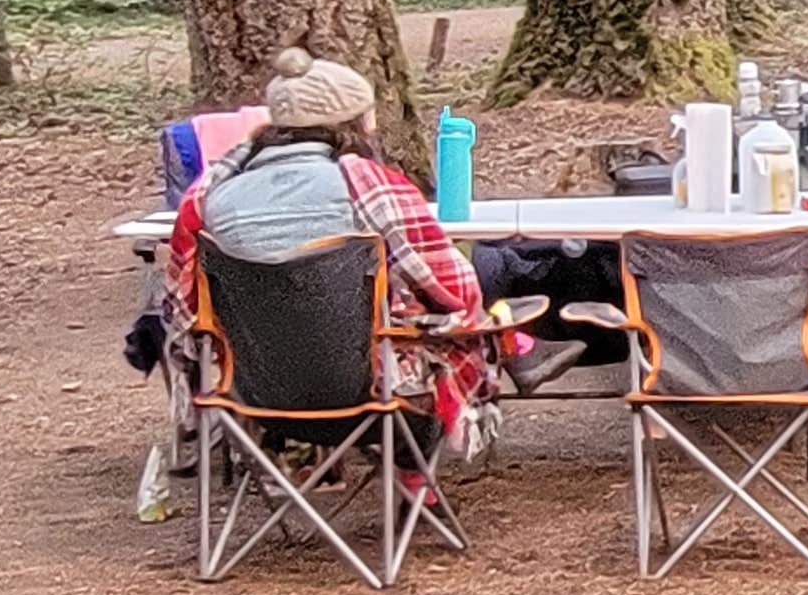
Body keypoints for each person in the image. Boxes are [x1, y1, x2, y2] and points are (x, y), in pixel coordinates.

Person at [161, 50, 550, 453]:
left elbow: (179, 305)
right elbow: (453, 289)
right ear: (349, 126)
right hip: (380, 398)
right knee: (437, 336)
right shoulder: (371, 185)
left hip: (251, 401)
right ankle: (415, 485)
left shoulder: (207, 197)